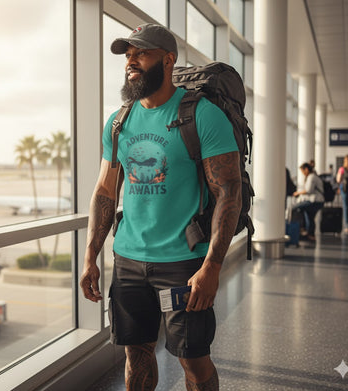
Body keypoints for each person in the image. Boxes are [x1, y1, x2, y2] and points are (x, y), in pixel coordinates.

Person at [79, 23, 241, 391]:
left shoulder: (202, 115)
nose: (131, 61)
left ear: (168, 60)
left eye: (141, 53)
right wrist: (91, 254)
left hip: (184, 262)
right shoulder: (119, 122)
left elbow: (229, 193)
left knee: (192, 358)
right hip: (129, 261)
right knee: (136, 352)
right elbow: (105, 191)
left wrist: (212, 265)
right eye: (128, 54)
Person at [293, 162, 324, 241]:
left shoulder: (311, 177)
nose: (302, 174)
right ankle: (310, 234)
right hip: (317, 200)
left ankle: (302, 229)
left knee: (296, 208)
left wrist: (298, 193)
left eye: (302, 171)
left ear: (306, 169)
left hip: (315, 200)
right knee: (310, 217)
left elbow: (308, 190)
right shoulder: (312, 176)